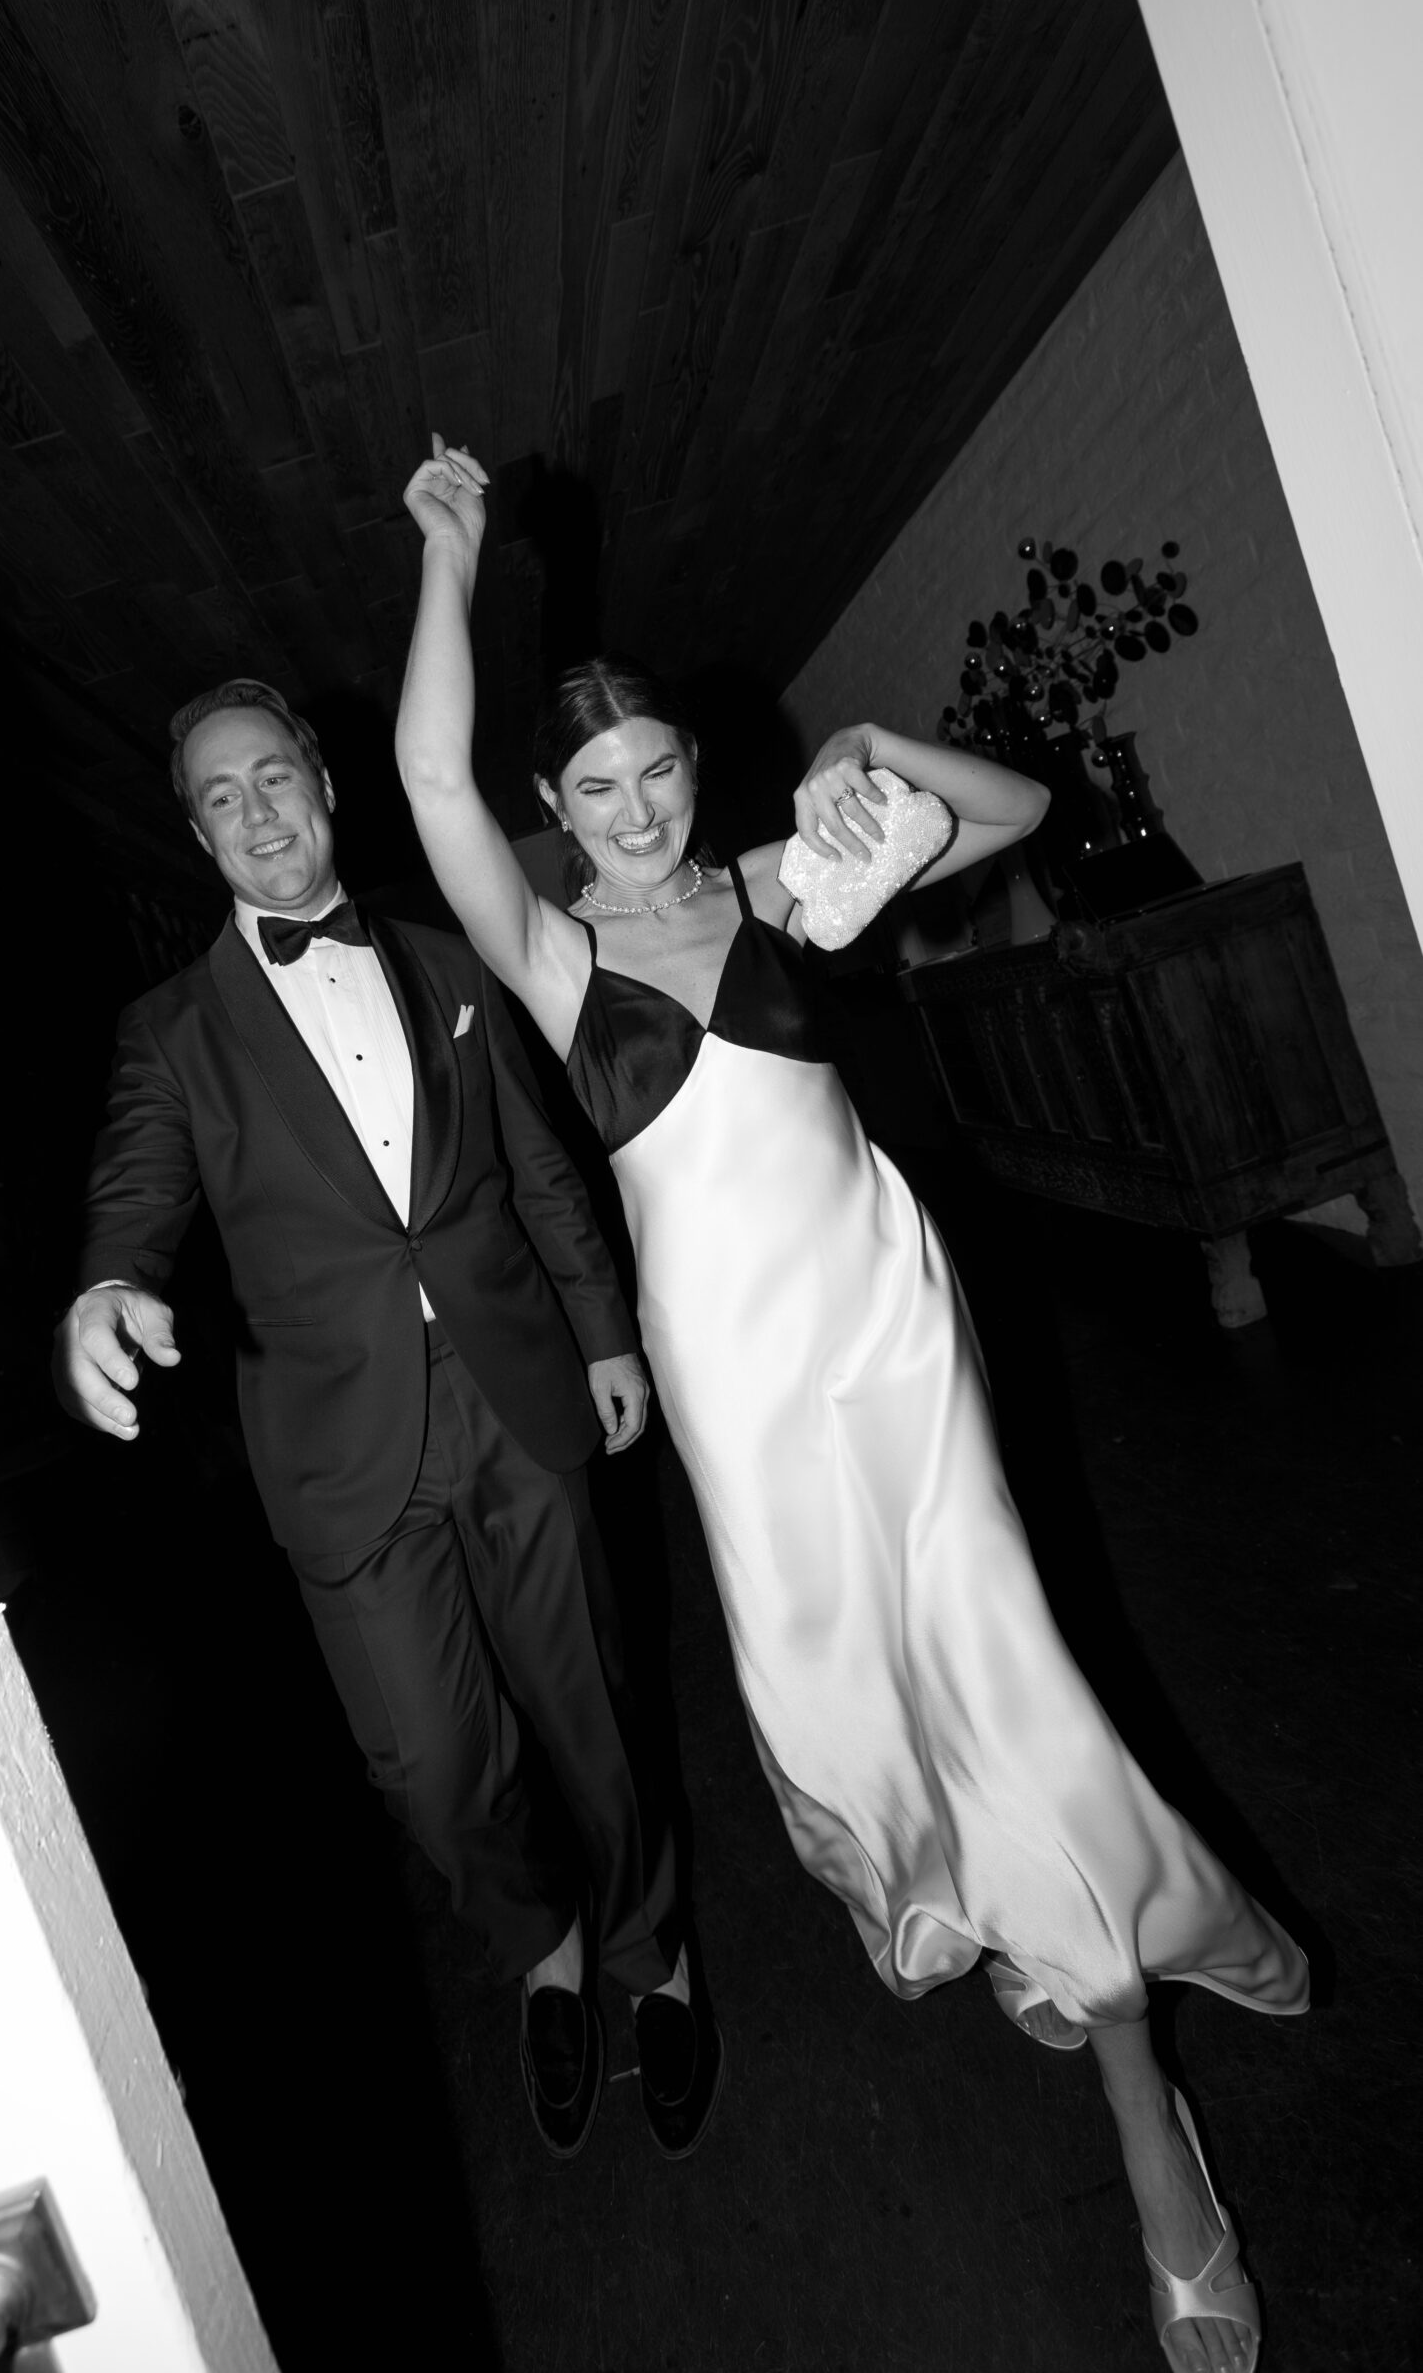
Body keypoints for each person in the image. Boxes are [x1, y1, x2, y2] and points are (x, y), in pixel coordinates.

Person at [393, 439, 1308, 2371]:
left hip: (893, 1342)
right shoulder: (555, 962)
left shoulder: (794, 888)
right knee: (847, 1694)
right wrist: (449, 560)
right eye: (595, 791)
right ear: (553, 813)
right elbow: (420, 783)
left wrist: (884, 737)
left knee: (1007, 1670)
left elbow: (1021, 807)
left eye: (657, 776)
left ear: (691, 778)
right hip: (740, 1403)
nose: (636, 815)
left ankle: (1153, 2133)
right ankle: (1002, 1904)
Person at [53, 678, 724, 2161]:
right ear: (197, 832)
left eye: (274, 777)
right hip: (337, 1448)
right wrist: (105, 1286)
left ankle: (646, 1955)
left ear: (325, 787)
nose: (256, 813)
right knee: (429, 1760)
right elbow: (135, 1191)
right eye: (220, 797)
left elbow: (542, 1171)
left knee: (594, 1708)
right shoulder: (171, 1033)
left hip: (517, 1393)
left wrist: (605, 1334)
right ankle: (542, 1947)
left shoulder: (440, 957)